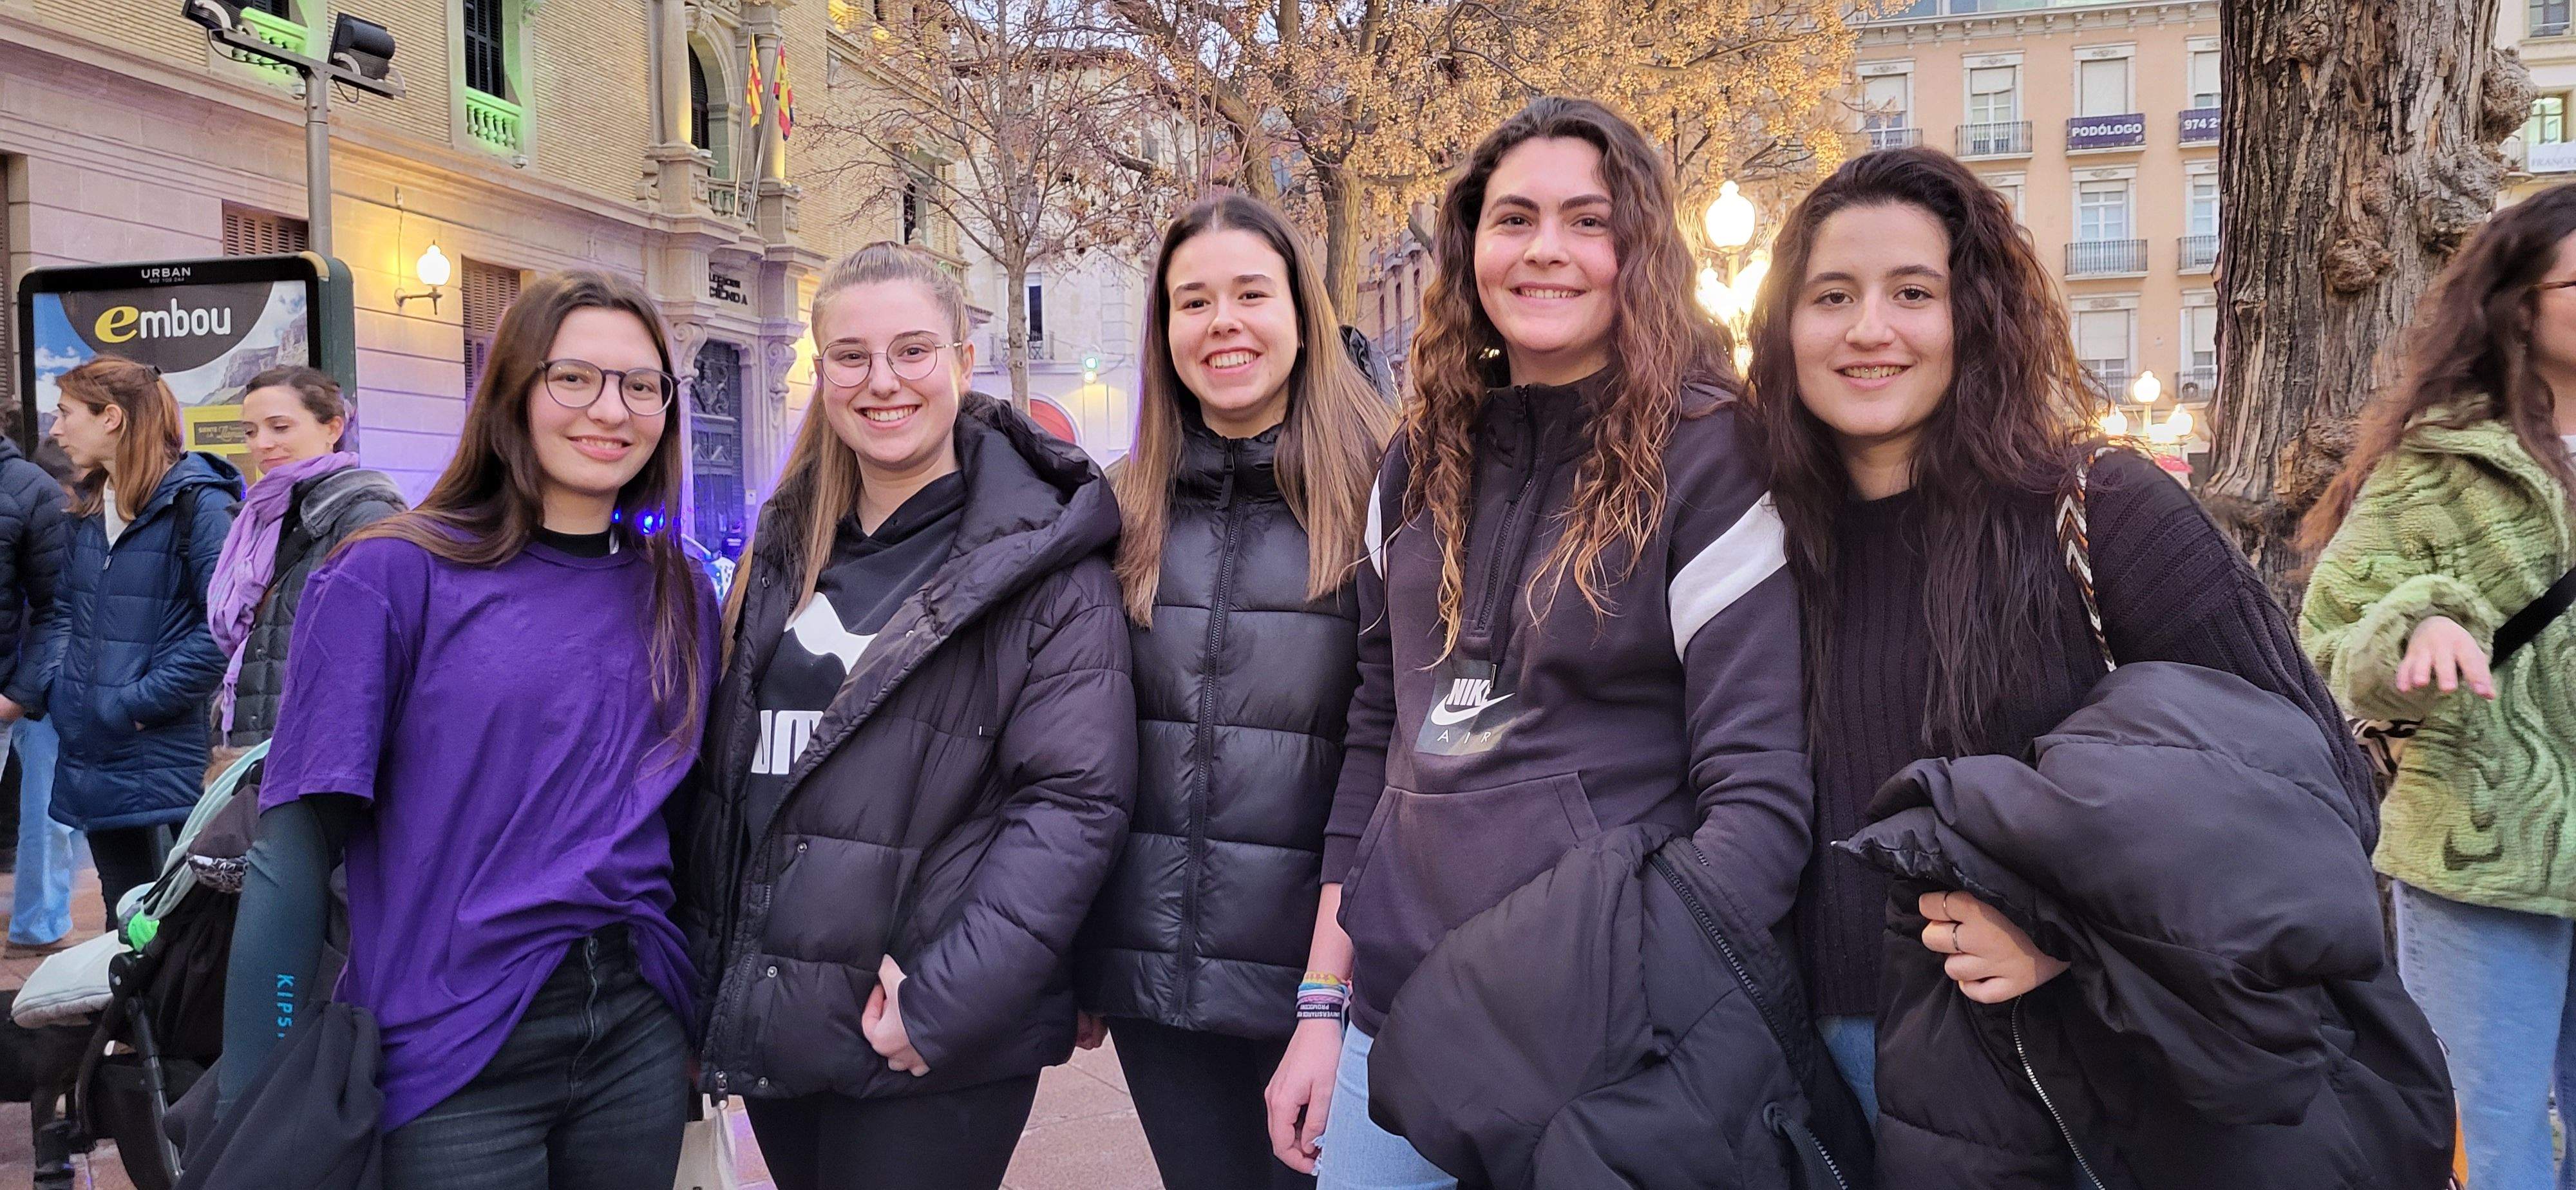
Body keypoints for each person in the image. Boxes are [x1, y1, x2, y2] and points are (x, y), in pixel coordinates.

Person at [1756, 147, 2443, 1186]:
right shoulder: (1757, 545)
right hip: (1817, 1065)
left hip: (2075, 1061)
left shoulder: (2103, 509)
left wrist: (2065, 933)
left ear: (1976, 313)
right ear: (1784, 326)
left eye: (1913, 292)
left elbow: (2315, 794)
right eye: (1832, 295)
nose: (1868, 328)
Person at [1262, 97, 1813, 1188]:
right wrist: (1322, 1005)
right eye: (1514, 218)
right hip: (1395, 1021)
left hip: (1597, 1042)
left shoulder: (1711, 455)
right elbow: (1379, 743)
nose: (1546, 249)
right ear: (1470, 250)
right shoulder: (1416, 462)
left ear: (1640, 251)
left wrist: (1630, 995)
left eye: (1587, 221)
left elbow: (1758, 793)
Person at [217, 270, 714, 1190]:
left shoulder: (680, 589)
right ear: (514, 389)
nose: (611, 410)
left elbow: (688, 828)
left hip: (636, 1033)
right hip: (447, 1047)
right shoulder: (391, 575)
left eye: (641, 385)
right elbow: (293, 848)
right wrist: (255, 1109)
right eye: (574, 378)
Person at [677, 241, 1135, 1190]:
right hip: (784, 1014)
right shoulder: (787, 543)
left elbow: (1071, 805)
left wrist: (943, 1001)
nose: (882, 381)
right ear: (822, 373)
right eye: (850, 356)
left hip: (921, 1032)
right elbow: (734, 783)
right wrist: (713, 983)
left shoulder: (1045, 564)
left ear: (964, 363)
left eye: (913, 352)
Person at [1074, 194, 1390, 1190]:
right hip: (1155, 986)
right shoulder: (1120, 509)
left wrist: (1328, 999)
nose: (1223, 324)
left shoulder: (1387, 493)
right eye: (1193, 301)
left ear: (1300, 311)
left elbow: (1392, 758)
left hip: (1326, 979)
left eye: (1251, 293)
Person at [2302, 184, 2576, 1190]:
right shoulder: (2441, 462)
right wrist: (2419, 623)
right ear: (2519, 305)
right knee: (2487, 1145)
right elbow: (2329, 642)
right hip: (2482, 845)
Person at [40, 356, 242, 921]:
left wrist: (134, 704)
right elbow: (64, 613)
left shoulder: (199, 505)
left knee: (181, 930)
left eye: (65, 413)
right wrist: (62, 692)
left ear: (112, 418)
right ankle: (127, 1016)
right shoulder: (85, 508)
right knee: (122, 920)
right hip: (96, 752)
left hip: (168, 754)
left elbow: (224, 627)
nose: (55, 429)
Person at [205, 366, 404, 761]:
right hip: (252, 744)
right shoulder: (259, 520)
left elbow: (373, 654)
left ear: (332, 429)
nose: (262, 444)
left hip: (318, 756)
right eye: (250, 431)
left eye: (280, 427)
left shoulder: (363, 516)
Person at [0, 402, 70, 955]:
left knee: (47, 812)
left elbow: (57, 607)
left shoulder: (31, 488)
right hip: (27, 677)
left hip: (31, 682)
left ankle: (38, 924)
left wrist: (16, 697)